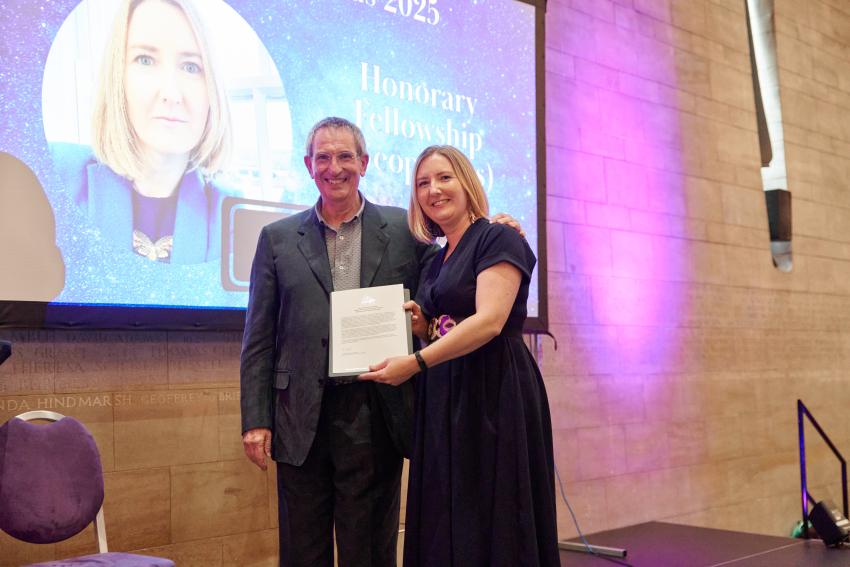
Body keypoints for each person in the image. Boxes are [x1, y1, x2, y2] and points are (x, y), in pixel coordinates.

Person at [240, 118, 524, 567]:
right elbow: (258, 337)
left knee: (369, 549)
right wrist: (255, 419)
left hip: (375, 415)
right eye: (323, 157)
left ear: (365, 163)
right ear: (308, 165)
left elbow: (459, 268)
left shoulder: (407, 231)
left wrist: (498, 227)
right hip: (299, 420)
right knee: (301, 550)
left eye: (345, 156)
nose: (335, 167)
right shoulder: (276, 239)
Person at [359, 145, 560, 566]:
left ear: (467, 181)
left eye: (444, 177)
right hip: (444, 394)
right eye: (422, 183)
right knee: (445, 512)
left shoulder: (498, 236)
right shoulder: (434, 259)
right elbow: (448, 319)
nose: (433, 190)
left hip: (491, 391)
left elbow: (489, 321)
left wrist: (415, 362)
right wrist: (422, 327)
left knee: (492, 508)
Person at [50, 0, 233, 264]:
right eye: (145, 60)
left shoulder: (236, 219)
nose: (171, 94)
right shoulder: (55, 174)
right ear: (117, 79)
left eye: (191, 67)